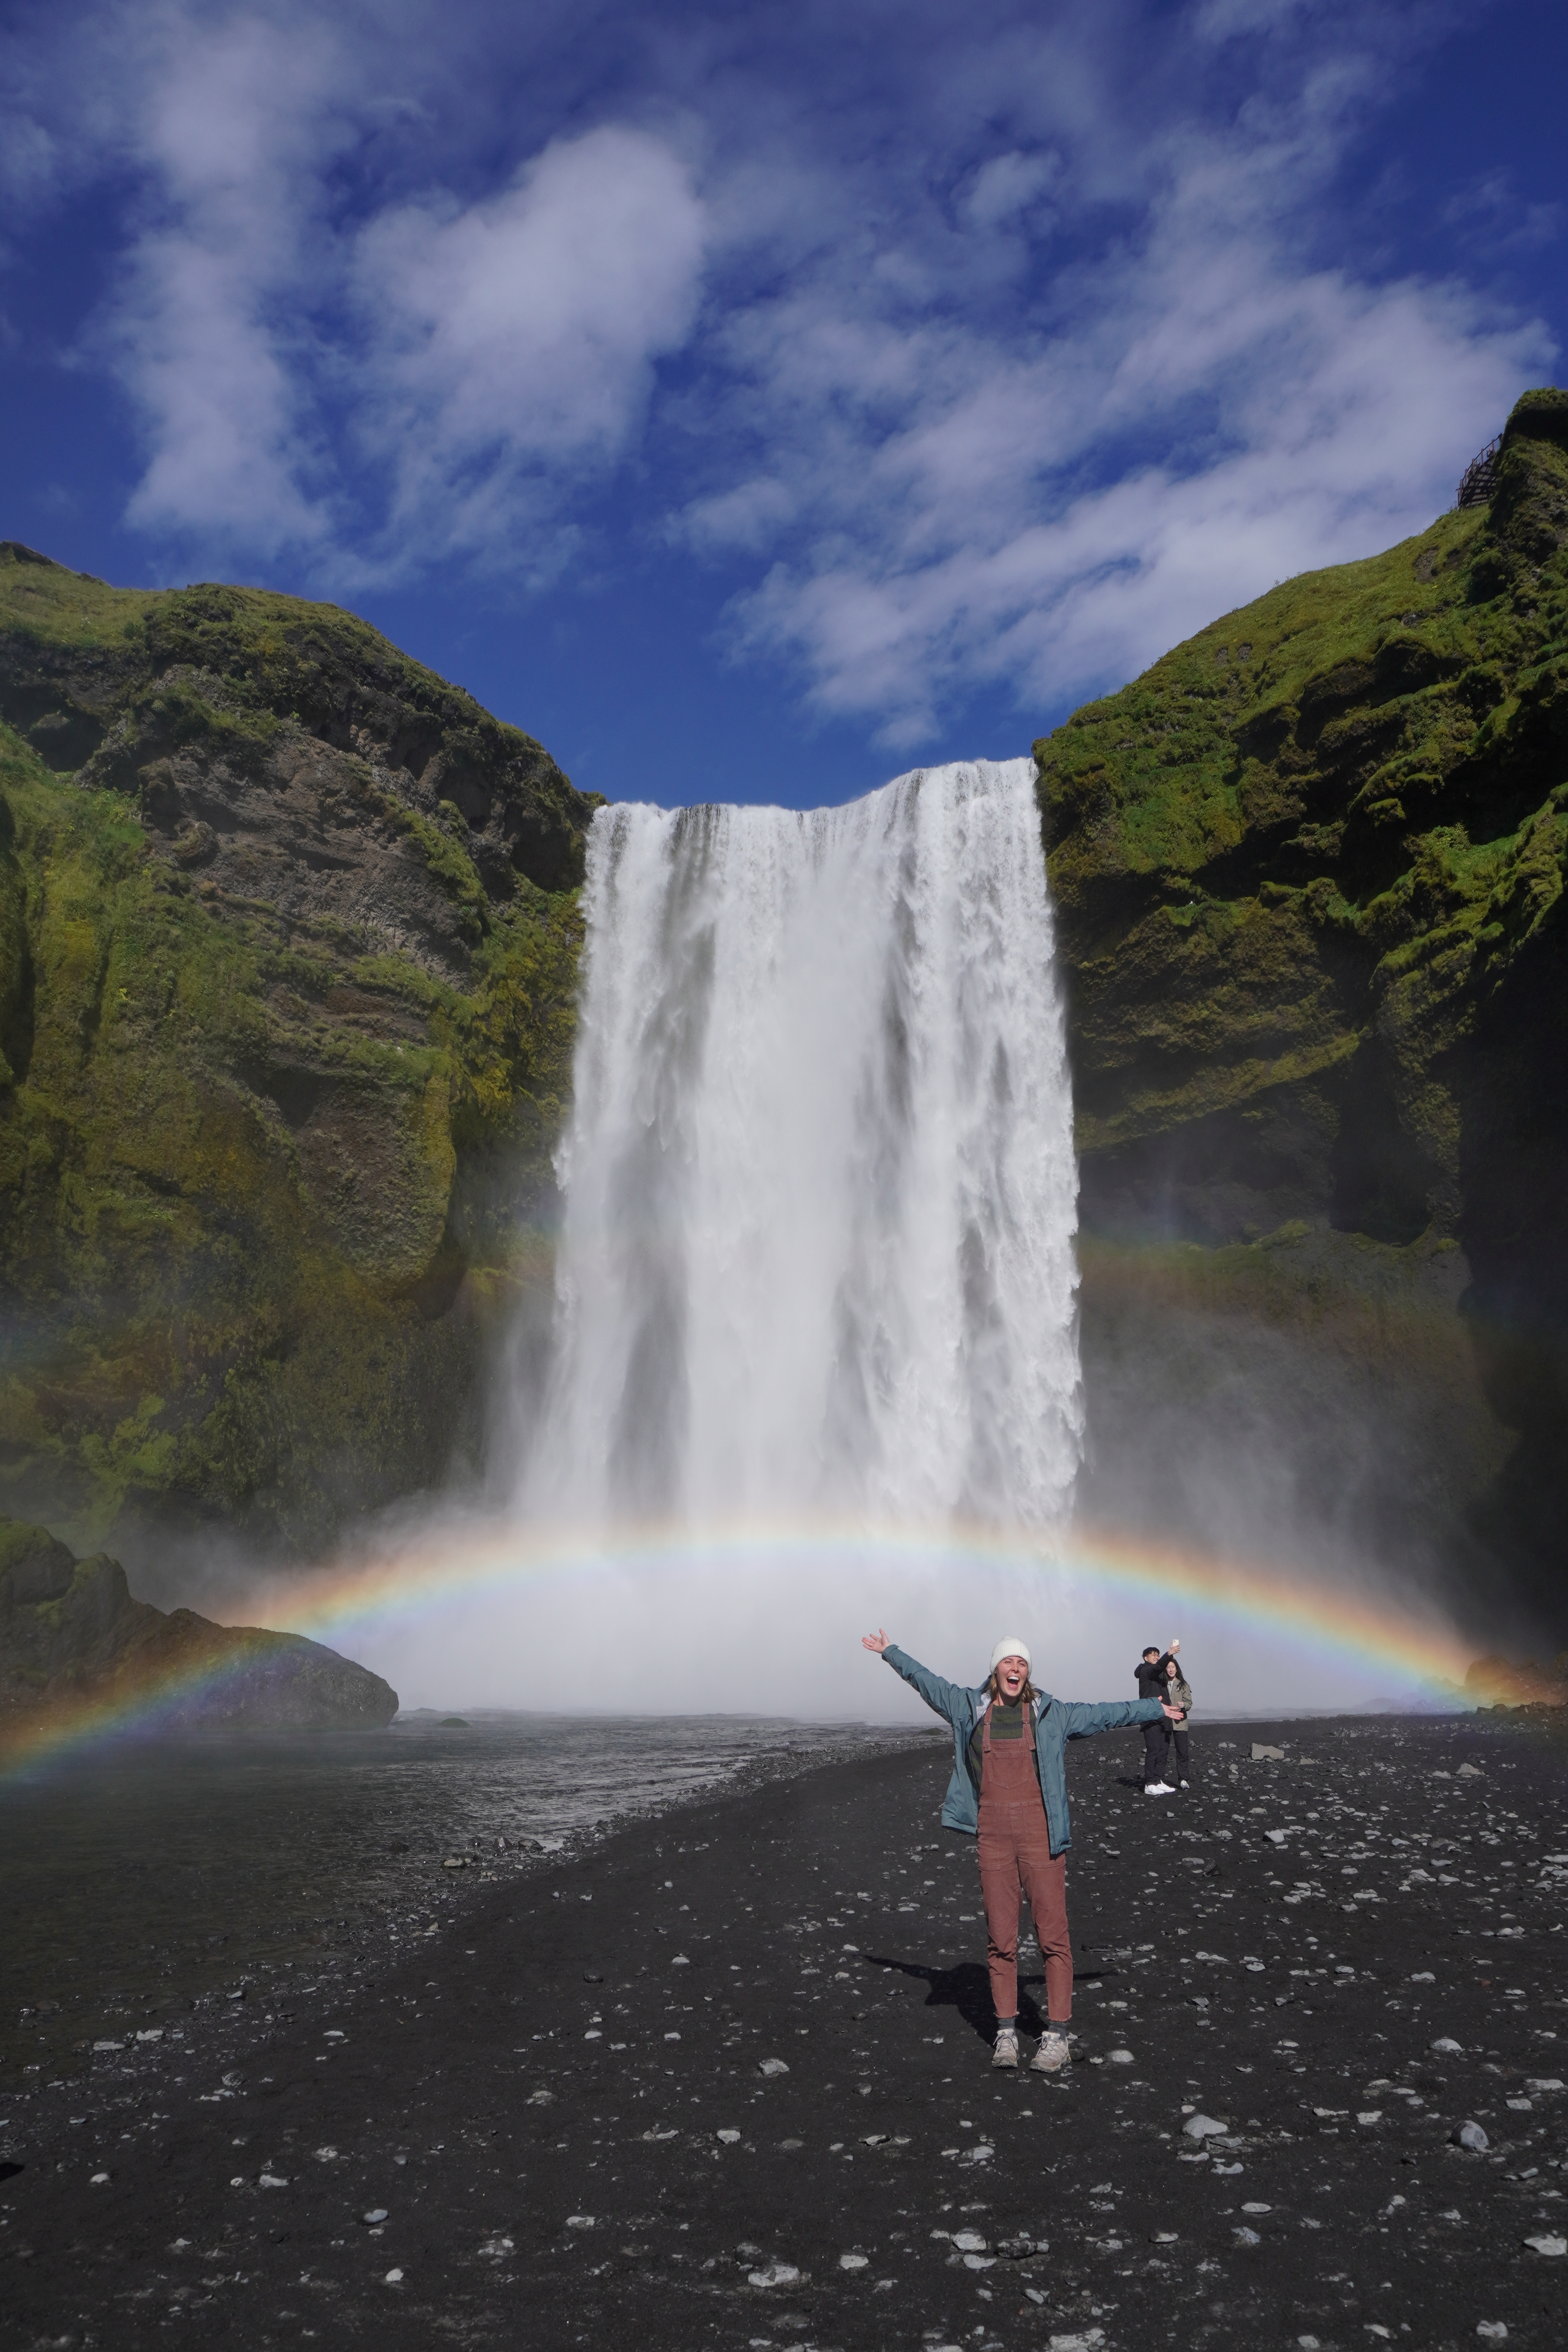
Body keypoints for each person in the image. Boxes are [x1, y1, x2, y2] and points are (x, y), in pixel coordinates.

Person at [862, 1628, 1178, 2074]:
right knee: (1001, 1940)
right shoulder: (967, 1707)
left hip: (1040, 1836)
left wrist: (1152, 1707)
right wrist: (889, 1652)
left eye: (1023, 1663)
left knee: (1053, 1937)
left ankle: (1058, 2036)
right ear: (996, 1669)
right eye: (1009, 1662)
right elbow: (925, 1680)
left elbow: (1105, 1714)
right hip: (992, 1835)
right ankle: (1006, 2033)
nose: (1016, 1668)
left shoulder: (1052, 1713)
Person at [1135, 1640, 1181, 1795]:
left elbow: (1164, 1671)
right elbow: (1158, 1667)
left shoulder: (1160, 1675)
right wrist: (1169, 1654)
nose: (1156, 1657)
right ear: (1145, 1658)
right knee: (1153, 1750)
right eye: (1153, 1655)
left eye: (1158, 1655)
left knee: (1163, 1751)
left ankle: (1158, 1780)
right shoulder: (1146, 1671)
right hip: (1151, 1716)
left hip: (1164, 1717)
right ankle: (1149, 1784)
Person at [1165, 1650, 1193, 1788]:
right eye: (1168, 1667)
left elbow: (1189, 1703)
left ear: (1177, 1669)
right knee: (1162, 1752)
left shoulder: (1183, 1685)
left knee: (1182, 1752)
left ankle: (1183, 1780)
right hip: (1165, 1723)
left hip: (1180, 1723)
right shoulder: (1162, 1684)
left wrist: (1184, 1705)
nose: (1171, 1670)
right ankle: (1159, 1780)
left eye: (1173, 1667)